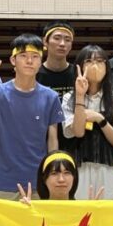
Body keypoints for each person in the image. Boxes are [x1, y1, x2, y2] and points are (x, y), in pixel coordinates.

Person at [0, 34, 64, 199]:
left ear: (41, 61)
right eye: (23, 56)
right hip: (5, 182)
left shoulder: (50, 97)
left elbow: (53, 141)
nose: (29, 61)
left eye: (35, 56)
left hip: (39, 181)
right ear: (13, 60)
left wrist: (51, 175)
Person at [62, 45, 113, 200]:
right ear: (80, 66)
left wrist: (100, 119)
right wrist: (80, 96)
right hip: (80, 167)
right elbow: (78, 132)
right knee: (82, 210)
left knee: (109, 211)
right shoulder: (69, 98)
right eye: (89, 61)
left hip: (109, 168)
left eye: (99, 61)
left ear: (107, 67)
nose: (94, 66)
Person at [37, 21, 77, 151]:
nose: (62, 44)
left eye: (67, 40)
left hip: (75, 143)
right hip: (40, 143)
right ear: (45, 41)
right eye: (57, 38)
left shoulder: (79, 74)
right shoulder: (34, 74)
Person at [17, 150, 81, 203]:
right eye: (54, 173)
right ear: (44, 178)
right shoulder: (35, 210)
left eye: (67, 173)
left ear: (74, 177)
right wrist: (26, 211)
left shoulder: (83, 211)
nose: (61, 179)